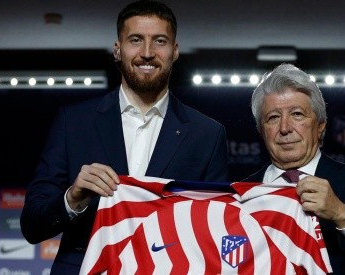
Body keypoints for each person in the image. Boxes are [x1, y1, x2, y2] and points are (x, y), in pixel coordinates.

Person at [20, 0, 229, 273]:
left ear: (175, 51)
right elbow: (32, 226)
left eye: (160, 41)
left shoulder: (207, 134)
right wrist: (73, 199)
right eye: (135, 40)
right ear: (117, 50)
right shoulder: (74, 122)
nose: (146, 52)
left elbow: (216, 228)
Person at [242, 63, 345, 274]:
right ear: (260, 130)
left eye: (297, 114)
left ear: (320, 126)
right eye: (273, 118)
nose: (285, 128)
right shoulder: (242, 193)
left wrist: (340, 212)